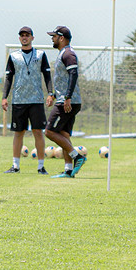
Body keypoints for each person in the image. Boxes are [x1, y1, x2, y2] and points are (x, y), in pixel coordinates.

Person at [1, 26, 53, 175]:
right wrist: (5, 97)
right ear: (19, 38)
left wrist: (50, 93)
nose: (25, 37)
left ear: (32, 38)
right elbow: (9, 78)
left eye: (27, 35)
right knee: (18, 132)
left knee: (38, 131)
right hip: (18, 100)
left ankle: (41, 166)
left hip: (36, 99)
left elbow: (47, 76)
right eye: (22, 35)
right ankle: (15, 166)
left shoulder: (41, 54)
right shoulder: (13, 56)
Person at [44, 26, 86, 178]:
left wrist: (67, 97)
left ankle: (77, 157)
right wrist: (54, 94)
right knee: (63, 134)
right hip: (65, 99)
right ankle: (68, 170)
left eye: (54, 36)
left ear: (61, 38)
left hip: (67, 102)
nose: (52, 38)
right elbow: (64, 80)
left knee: (49, 131)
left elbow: (73, 74)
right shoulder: (64, 53)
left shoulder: (68, 53)